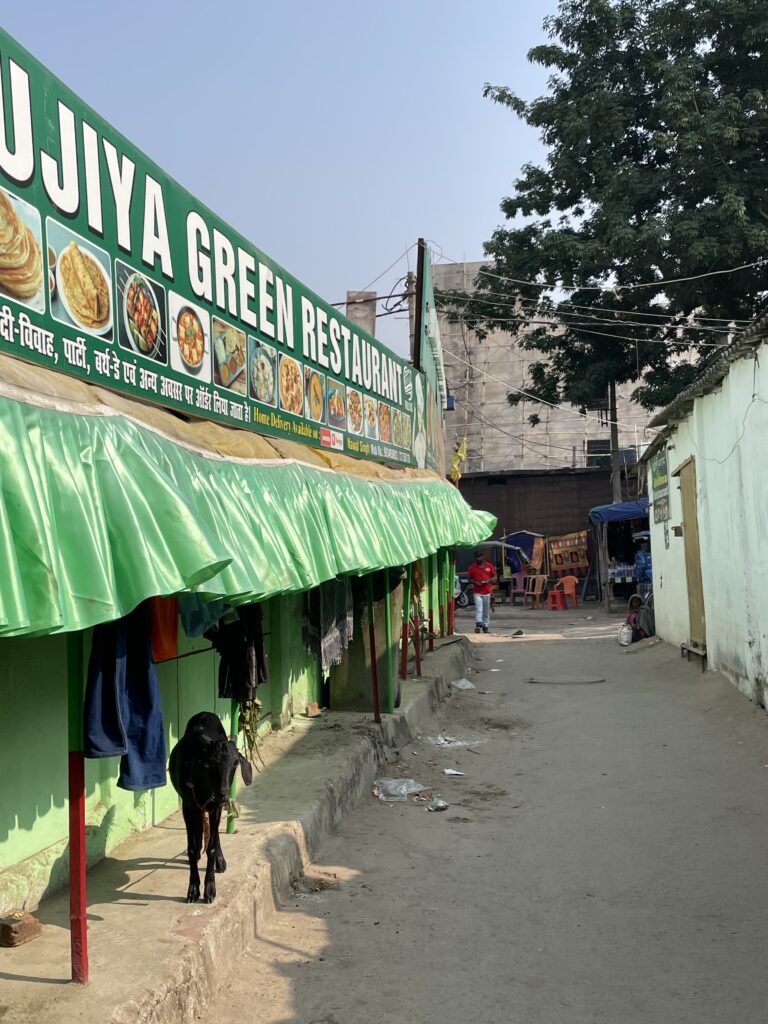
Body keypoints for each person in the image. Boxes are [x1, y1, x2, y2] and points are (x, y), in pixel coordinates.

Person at [467, 549, 497, 634]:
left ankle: (485, 626)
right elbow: (469, 579)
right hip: (477, 591)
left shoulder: (489, 566)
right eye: (477, 557)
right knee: (478, 608)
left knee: (486, 610)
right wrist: (475, 582)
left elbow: (495, 577)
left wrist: (488, 580)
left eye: (480, 557)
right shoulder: (472, 567)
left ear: (483, 557)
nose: (478, 558)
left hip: (487, 591)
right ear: (475, 558)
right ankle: (478, 624)